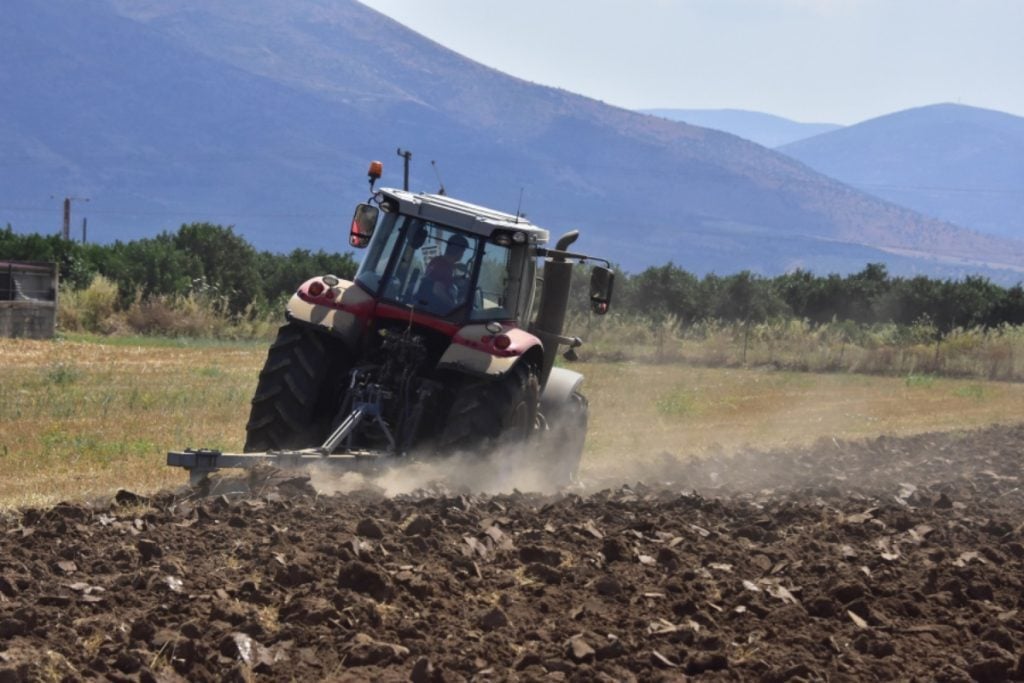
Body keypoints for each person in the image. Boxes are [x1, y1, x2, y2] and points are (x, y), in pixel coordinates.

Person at [420, 234, 469, 309]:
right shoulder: (443, 266)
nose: (463, 254)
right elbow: (437, 289)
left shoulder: (437, 260)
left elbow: (438, 280)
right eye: (463, 251)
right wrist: (453, 306)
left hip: (426, 305)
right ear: (459, 251)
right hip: (433, 309)